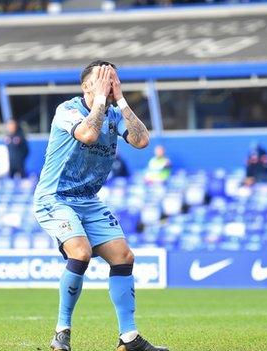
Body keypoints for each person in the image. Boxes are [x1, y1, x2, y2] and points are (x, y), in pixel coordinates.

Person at [33, 60, 167, 351]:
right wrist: (99, 101)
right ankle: (61, 333)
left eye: (113, 79)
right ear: (85, 86)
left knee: (123, 256)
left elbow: (142, 140)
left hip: (88, 200)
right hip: (55, 197)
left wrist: (119, 98)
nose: (108, 83)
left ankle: (128, 338)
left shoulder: (116, 113)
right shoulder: (67, 110)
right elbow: (88, 134)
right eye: (102, 79)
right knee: (80, 251)